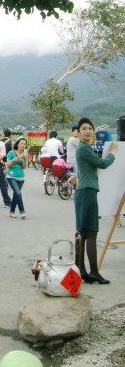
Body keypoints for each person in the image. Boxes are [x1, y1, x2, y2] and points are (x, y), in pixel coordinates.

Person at [74, 117, 117, 285]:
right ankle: (94, 272)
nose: (88, 131)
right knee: (90, 232)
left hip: (84, 191)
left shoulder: (85, 148)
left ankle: (83, 271)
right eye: (84, 128)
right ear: (78, 132)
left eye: (90, 128)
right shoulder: (83, 148)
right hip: (87, 192)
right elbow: (102, 163)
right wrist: (113, 153)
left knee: (83, 233)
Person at [6, 137, 27, 219]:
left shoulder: (25, 154)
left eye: (25, 144)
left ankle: (12, 211)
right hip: (11, 176)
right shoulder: (11, 153)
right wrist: (13, 160)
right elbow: (8, 165)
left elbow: (24, 167)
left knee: (16, 195)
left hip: (21, 177)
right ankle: (22, 211)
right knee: (18, 193)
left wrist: (24, 160)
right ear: (17, 144)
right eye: (21, 143)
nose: (23, 145)